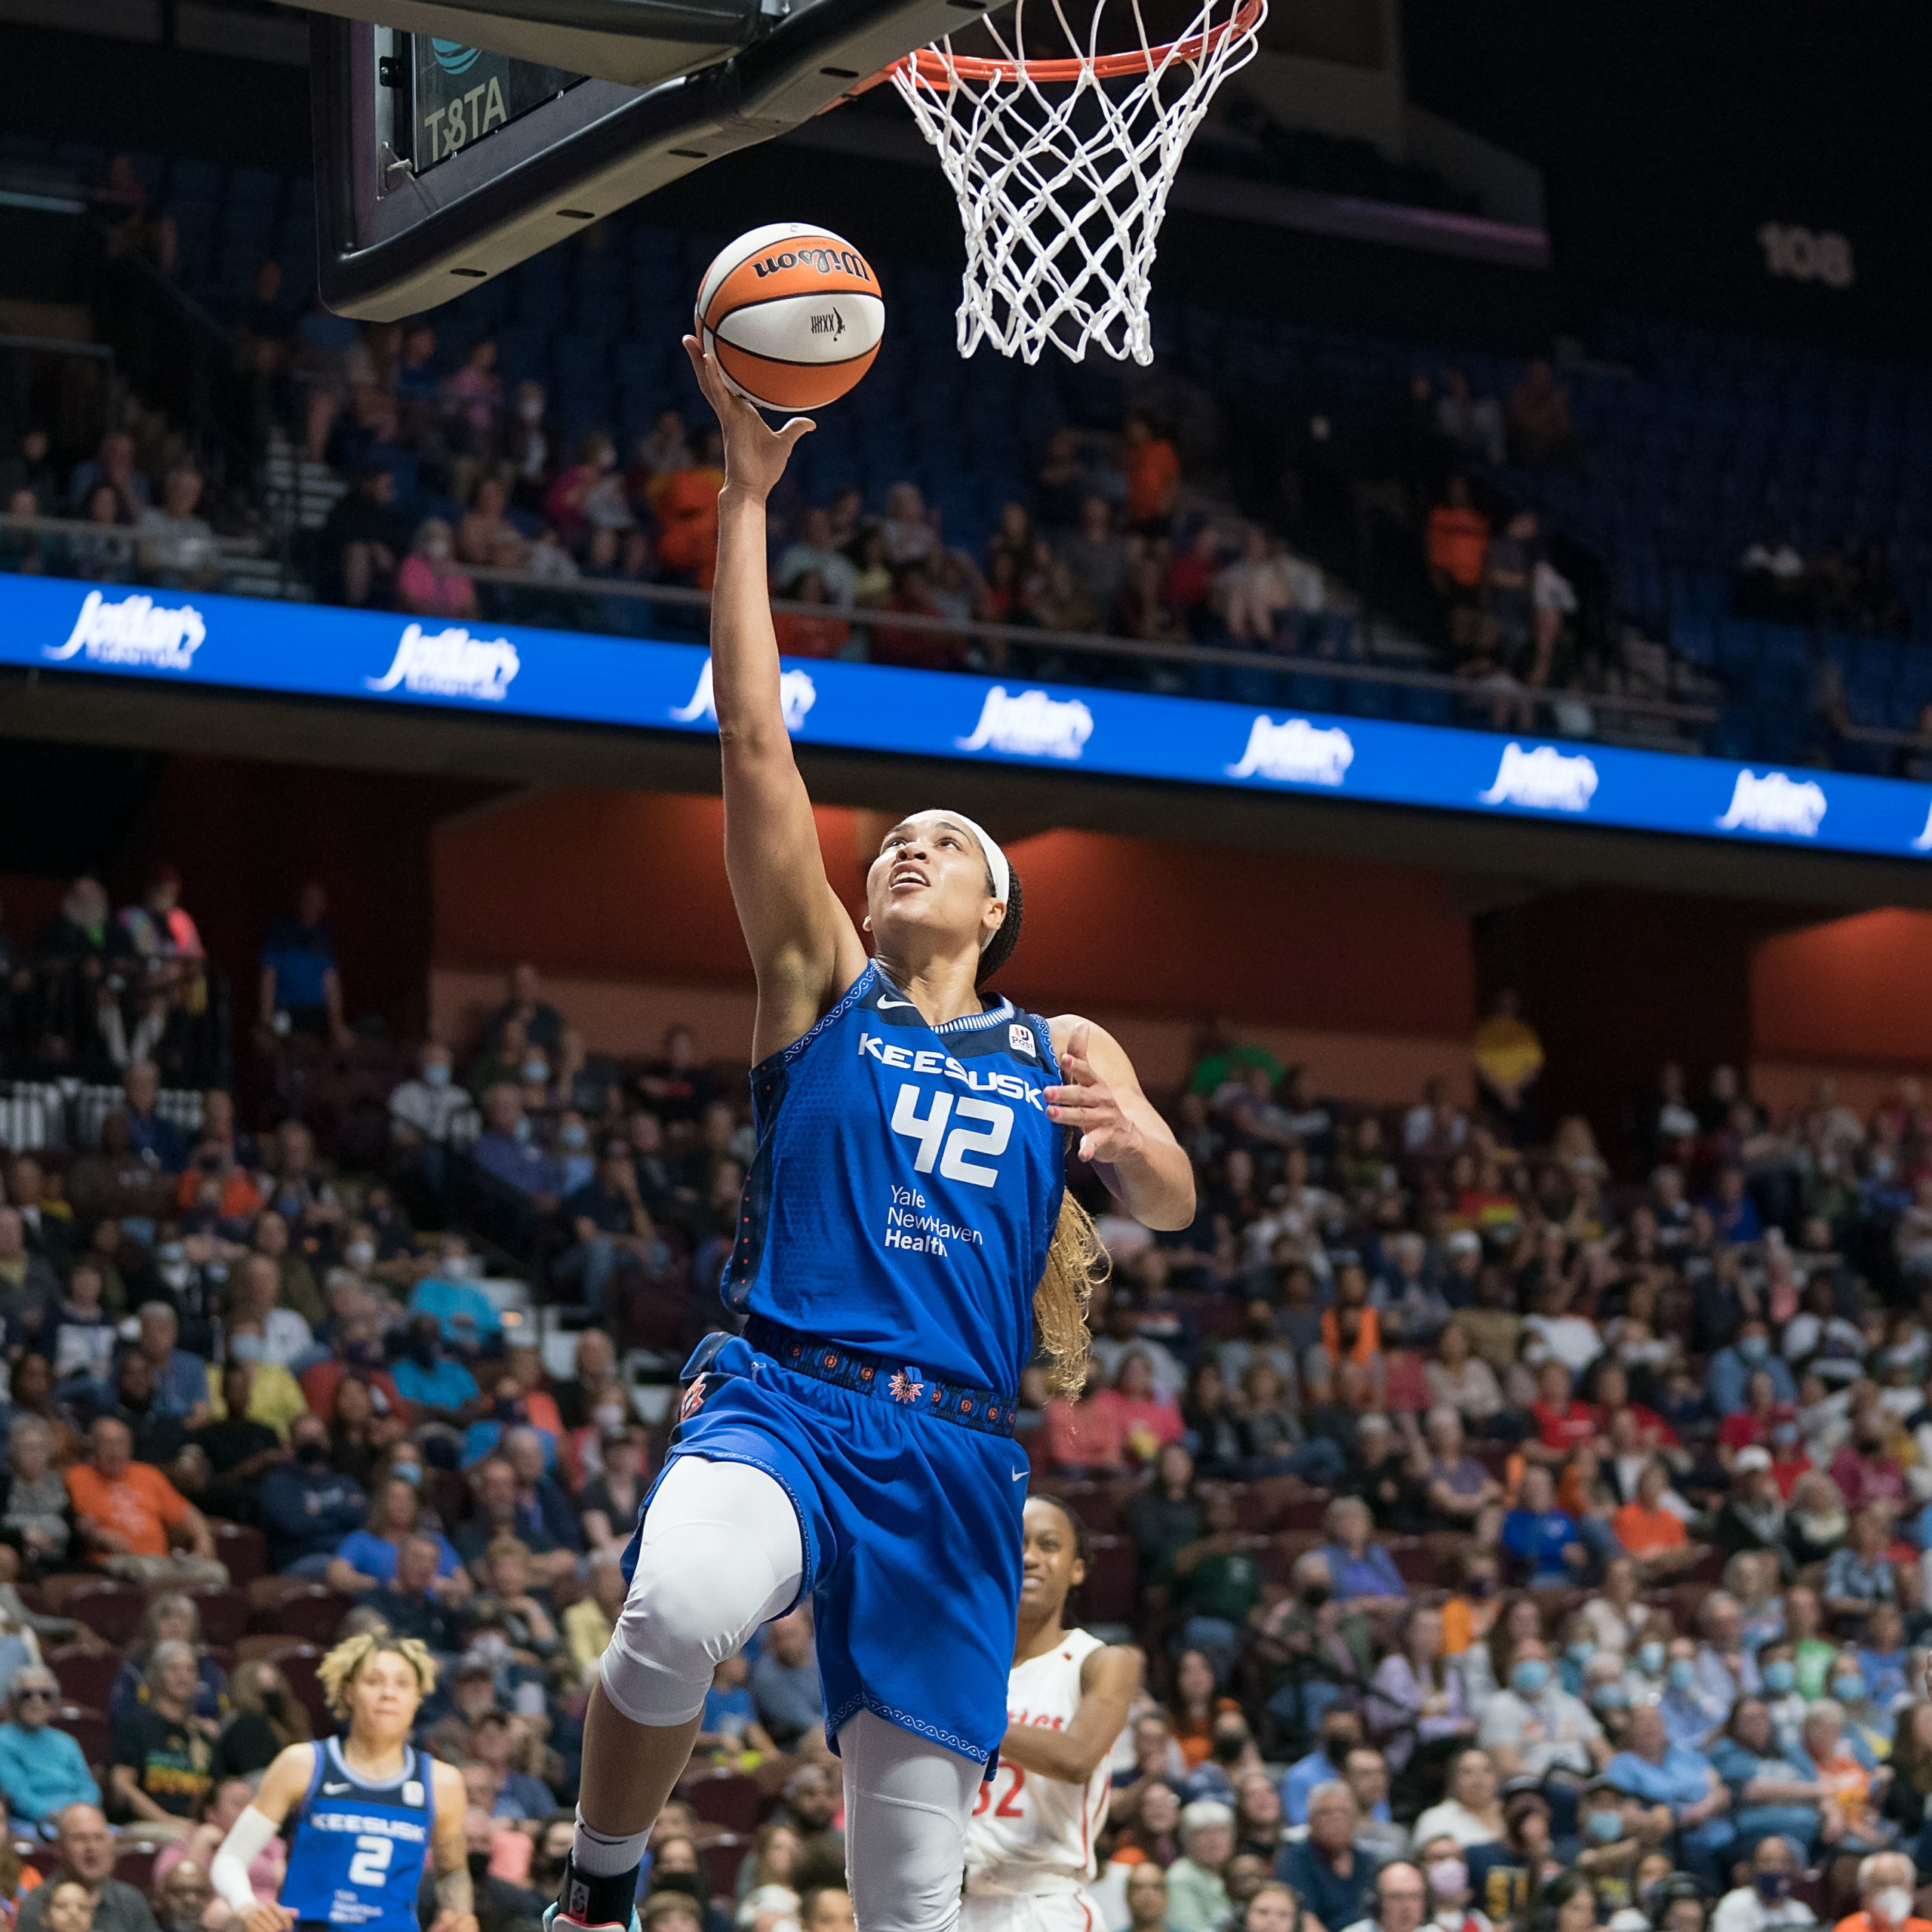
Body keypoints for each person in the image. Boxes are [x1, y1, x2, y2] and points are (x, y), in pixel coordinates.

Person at [544, 334, 1195, 1932]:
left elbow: (1169, 1203)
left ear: (997, 907)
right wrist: (744, 496)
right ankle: (598, 1886)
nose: (906, 845)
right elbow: (754, 742)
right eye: (892, 837)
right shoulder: (819, 985)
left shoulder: (1057, 1043)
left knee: (913, 1901)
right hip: (787, 1390)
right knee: (674, 1608)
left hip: (956, 1453)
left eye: (945, 842)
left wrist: (1134, 1132)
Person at [208, 1629, 473, 1932]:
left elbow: (452, 1872)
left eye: (402, 1683)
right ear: (349, 1691)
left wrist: (458, 1915)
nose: (388, 1693)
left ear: (417, 1697)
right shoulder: (303, 1764)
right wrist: (246, 1907)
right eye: (374, 1681)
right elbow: (230, 1858)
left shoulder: (443, 1782)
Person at [961, 1494, 1141, 1932]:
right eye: (1017, 1544)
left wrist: (960, 1718)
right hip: (951, 1902)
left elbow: (1077, 1758)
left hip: (1043, 1905)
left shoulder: (1100, 1661)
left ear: (1077, 1568)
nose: (1030, 1558)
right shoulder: (961, 1665)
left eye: (1048, 1545)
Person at [14, 1804, 158, 1932]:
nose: (91, 1847)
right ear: (59, 1846)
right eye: (80, 1838)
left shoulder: (131, 1900)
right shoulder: (37, 1903)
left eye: (99, 1838)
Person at [0, 1667, 98, 1833]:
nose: (36, 1701)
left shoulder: (67, 1741)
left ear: (54, 1701)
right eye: (27, 1694)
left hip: (77, 1818)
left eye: (45, 1695)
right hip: (33, 1822)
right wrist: (60, 1817)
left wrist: (79, 1814)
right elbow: (17, 1794)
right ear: (14, 1700)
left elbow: (88, 1787)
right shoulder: (3, 1740)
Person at [1278, 1784, 1377, 1932]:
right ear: (1310, 1819)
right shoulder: (1294, 1860)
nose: (1336, 1819)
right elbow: (1305, 1919)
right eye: (1326, 1812)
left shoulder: (1369, 1862)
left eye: (1343, 1812)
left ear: (1355, 1820)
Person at [1709, 1834, 1817, 1932]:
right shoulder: (1735, 1903)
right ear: (1753, 1867)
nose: (1776, 1868)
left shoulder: (1801, 1912)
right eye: (1767, 1861)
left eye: (1783, 1861)